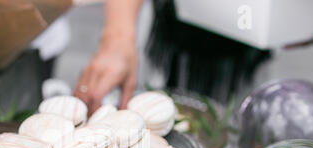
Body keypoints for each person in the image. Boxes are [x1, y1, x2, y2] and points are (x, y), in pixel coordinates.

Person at [74, 0, 271, 114]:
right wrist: (117, 38)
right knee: (147, 110)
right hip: (167, 37)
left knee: (232, 130)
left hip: (247, 51)